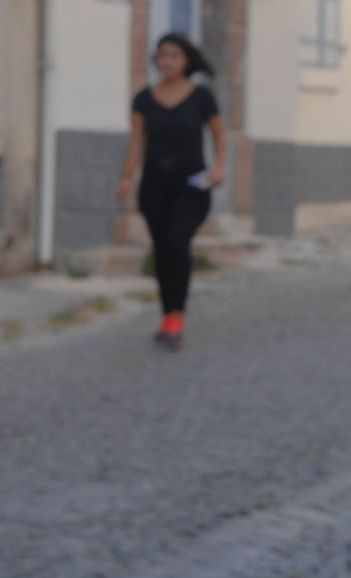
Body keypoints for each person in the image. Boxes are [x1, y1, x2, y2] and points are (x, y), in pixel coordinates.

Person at [117, 33, 225, 348]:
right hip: (154, 186)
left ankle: (176, 315)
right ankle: (168, 316)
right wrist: (126, 178)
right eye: (162, 55)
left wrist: (218, 168)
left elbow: (219, 135)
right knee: (163, 250)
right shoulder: (144, 99)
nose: (166, 61)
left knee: (178, 244)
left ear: (186, 61)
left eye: (174, 55)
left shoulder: (202, 97)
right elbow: (136, 141)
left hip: (191, 187)